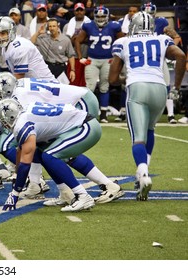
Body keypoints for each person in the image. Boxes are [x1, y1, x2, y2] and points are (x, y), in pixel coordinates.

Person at [109, 11, 186, 201]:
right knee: (151, 129)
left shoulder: (123, 42)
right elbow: (181, 55)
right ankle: (143, 169)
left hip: (137, 87)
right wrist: (175, 87)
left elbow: (111, 79)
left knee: (138, 138)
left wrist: (124, 79)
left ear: (132, 26)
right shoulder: (161, 39)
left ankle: (142, 174)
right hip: (159, 87)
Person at [0, 98, 97, 212]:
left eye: (3, 122)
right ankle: (66, 194)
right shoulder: (24, 113)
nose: (4, 125)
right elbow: (21, 152)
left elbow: (25, 165)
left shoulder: (21, 125)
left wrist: (15, 193)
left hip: (85, 126)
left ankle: (83, 196)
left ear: (10, 117)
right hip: (79, 123)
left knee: (50, 156)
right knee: (42, 154)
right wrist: (17, 174)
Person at [74, 5, 124, 123]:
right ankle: (88, 113)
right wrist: (80, 57)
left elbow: (122, 42)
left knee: (104, 87)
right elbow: (78, 40)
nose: (100, 18)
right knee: (89, 88)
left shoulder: (114, 26)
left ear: (107, 16)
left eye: (103, 16)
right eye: (98, 16)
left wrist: (116, 57)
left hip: (108, 60)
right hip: (92, 60)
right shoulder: (88, 25)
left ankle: (103, 115)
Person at [142, 2, 182, 124]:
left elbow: (176, 37)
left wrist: (168, 49)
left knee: (166, 85)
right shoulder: (136, 24)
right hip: (143, 60)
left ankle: (170, 114)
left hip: (158, 59)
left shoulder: (161, 23)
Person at [0, 16, 55, 80]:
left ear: (11, 32)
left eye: (3, 33)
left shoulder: (19, 48)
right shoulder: (5, 46)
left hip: (45, 84)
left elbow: (19, 77)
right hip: (32, 83)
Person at [63, 2, 90, 87]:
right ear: (74, 12)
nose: (79, 12)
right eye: (77, 10)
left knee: (85, 83)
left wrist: (81, 39)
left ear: (84, 11)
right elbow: (64, 44)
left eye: (81, 10)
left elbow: (93, 39)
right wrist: (72, 40)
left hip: (86, 56)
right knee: (73, 82)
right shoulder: (67, 26)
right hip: (73, 58)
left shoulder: (90, 24)